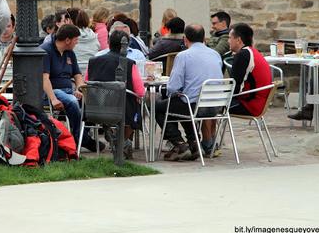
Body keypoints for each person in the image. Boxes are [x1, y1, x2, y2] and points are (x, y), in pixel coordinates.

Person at [155, 24, 223, 161]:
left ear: (185, 39)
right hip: (216, 106)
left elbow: (173, 87)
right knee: (181, 102)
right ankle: (193, 142)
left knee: (158, 106)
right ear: (204, 38)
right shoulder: (215, 54)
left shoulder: (183, 56)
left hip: (194, 107)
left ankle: (179, 143)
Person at [40, 24, 105, 152]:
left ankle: (85, 135)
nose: (77, 43)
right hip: (51, 92)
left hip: (69, 91)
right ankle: (79, 139)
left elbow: (77, 75)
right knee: (72, 101)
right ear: (67, 40)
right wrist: (53, 99)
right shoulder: (46, 51)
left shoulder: (70, 53)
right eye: (76, 40)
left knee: (92, 99)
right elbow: (44, 78)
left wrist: (80, 89)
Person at [86, 30, 145, 159]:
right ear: (127, 45)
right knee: (137, 106)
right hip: (123, 111)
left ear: (108, 42)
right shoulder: (129, 64)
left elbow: (87, 83)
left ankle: (112, 134)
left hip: (96, 107)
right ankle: (122, 141)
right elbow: (140, 92)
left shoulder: (93, 61)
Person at [228, 23, 272, 116]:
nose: (228, 41)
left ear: (238, 40)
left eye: (230, 38)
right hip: (259, 103)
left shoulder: (242, 55)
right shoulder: (253, 51)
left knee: (207, 106)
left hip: (249, 105)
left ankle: (207, 131)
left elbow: (234, 86)